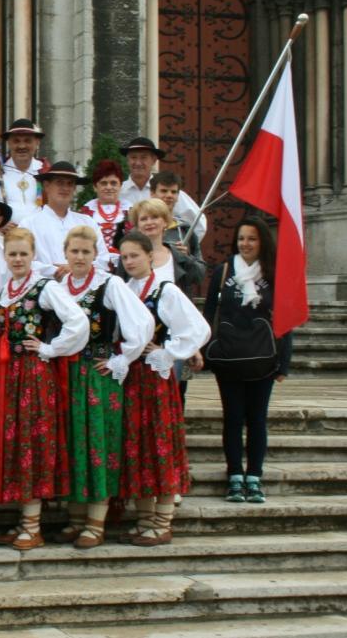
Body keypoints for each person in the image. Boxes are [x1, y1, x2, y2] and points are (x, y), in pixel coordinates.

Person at [0, 227, 88, 551]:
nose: (17, 259)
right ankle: (23, 520)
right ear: (5, 257)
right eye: (12, 254)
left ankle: (33, 525)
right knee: (15, 443)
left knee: (32, 442)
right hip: (8, 376)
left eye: (23, 254)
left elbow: (77, 321)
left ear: (33, 257)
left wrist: (50, 348)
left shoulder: (44, 288)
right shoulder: (6, 289)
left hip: (33, 375)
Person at [54, 226, 153, 549]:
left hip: (97, 375)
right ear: (65, 254)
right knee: (73, 443)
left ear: (95, 255)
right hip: (67, 374)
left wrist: (119, 359)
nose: (80, 257)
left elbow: (141, 323)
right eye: (74, 251)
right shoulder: (59, 286)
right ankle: (77, 517)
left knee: (98, 444)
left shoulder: (109, 285)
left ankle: (96, 521)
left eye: (85, 252)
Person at [118, 232, 210, 547]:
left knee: (160, 445)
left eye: (134, 256)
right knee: (138, 446)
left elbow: (198, 328)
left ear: (149, 256)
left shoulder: (164, 290)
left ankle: (162, 521)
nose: (129, 262)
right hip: (131, 379)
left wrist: (167, 352)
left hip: (155, 379)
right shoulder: (124, 289)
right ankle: (144, 520)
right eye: (125, 257)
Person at [203, 217, 293, 505]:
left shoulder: (274, 273)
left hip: (263, 358)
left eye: (251, 238)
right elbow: (210, 312)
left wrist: (285, 361)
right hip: (229, 357)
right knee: (232, 418)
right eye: (241, 238)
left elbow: (285, 318)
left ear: (262, 241)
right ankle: (234, 476)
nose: (245, 244)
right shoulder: (224, 271)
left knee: (256, 419)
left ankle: (254, 476)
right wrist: (204, 351)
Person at [20, 161, 111, 279]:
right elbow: (23, 261)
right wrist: (54, 271)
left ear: (74, 189)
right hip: (45, 291)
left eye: (70, 184)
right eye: (60, 183)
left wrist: (74, 269)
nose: (65, 188)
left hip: (83, 290)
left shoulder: (88, 222)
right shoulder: (28, 224)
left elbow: (103, 261)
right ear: (47, 186)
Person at [119, 137, 206, 243]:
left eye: (143, 158)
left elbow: (199, 223)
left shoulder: (167, 191)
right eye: (133, 157)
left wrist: (186, 246)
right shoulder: (118, 193)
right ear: (127, 160)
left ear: (154, 160)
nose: (138, 162)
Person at [0, 118, 49, 224]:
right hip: (3, 237)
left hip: (39, 235)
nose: (22, 146)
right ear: (9, 143)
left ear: (37, 142)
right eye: (16, 141)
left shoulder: (46, 172)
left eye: (27, 141)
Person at [126, 198, 205, 296]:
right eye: (143, 219)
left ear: (165, 222)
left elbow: (198, 277)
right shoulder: (128, 256)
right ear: (137, 226)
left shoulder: (177, 253)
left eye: (154, 217)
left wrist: (188, 258)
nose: (149, 222)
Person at [78, 159, 131, 264]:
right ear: (95, 187)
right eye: (103, 183)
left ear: (120, 185)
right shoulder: (85, 213)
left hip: (125, 264)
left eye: (113, 183)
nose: (109, 187)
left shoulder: (130, 211)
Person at [151, 170, 201, 257]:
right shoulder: (140, 227)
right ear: (152, 193)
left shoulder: (185, 230)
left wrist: (187, 258)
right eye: (164, 191)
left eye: (173, 192)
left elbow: (200, 268)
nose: (169, 195)